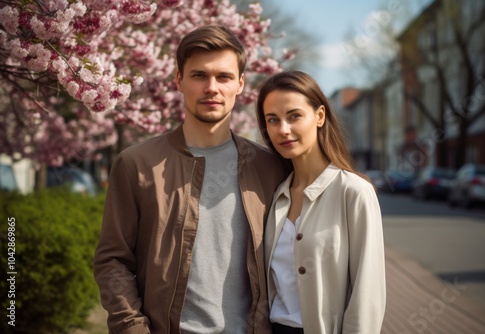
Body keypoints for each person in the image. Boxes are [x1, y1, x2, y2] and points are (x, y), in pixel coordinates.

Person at [93, 25, 289, 334]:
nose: (212, 88)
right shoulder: (137, 164)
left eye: (223, 77)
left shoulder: (270, 168)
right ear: (179, 81)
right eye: (199, 76)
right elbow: (113, 260)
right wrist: (132, 328)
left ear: (240, 85)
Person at [256, 71, 386, 334]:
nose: (283, 129)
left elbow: (368, 291)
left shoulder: (354, 192)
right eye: (273, 120)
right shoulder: (275, 195)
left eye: (294, 116)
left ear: (319, 116)